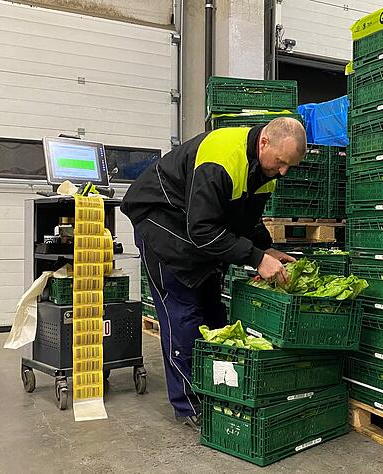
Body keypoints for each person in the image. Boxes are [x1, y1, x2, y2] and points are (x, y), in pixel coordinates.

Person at [120, 117, 307, 427]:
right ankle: (188, 403)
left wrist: (266, 248)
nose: (284, 170)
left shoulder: (268, 168)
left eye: (289, 165)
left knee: (214, 314)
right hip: (163, 219)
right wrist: (256, 259)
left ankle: (216, 387)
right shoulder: (220, 159)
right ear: (264, 143)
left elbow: (246, 217)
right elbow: (203, 230)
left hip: (195, 225)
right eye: (281, 162)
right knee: (183, 314)